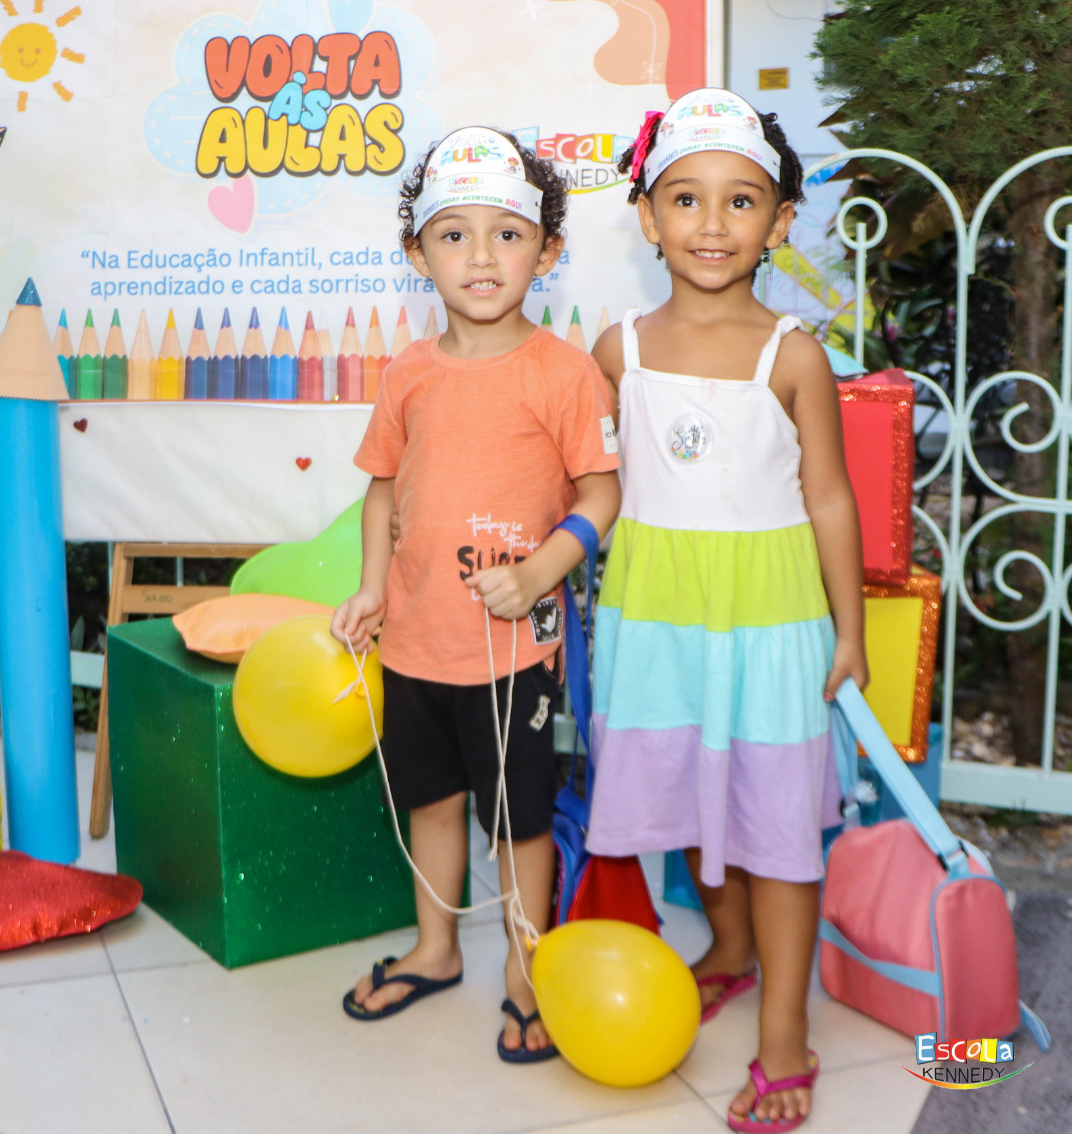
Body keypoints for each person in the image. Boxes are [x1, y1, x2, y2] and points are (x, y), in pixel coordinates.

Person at [588, 89, 867, 1132]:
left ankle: (786, 1034)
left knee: (776, 823)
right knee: (678, 795)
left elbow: (828, 497)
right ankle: (731, 948)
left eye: (741, 200)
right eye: (686, 198)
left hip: (770, 619)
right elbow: (587, 481)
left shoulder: (793, 354)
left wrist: (848, 631)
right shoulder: (615, 349)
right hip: (654, 618)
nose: (712, 224)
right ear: (648, 216)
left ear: (780, 221)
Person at [331, 127, 621, 1062]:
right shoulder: (408, 373)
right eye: (454, 235)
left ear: (548, 249)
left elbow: (602, 494)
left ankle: (527, 978)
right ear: (419, 255)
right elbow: (383, 491)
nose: (482, 256)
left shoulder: (564, 373)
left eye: (507, 234)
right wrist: (372, 588)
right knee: (431, 800)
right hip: (417, 642)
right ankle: (436, 948)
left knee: (518, 820)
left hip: (515, 651)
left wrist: (540, 572)